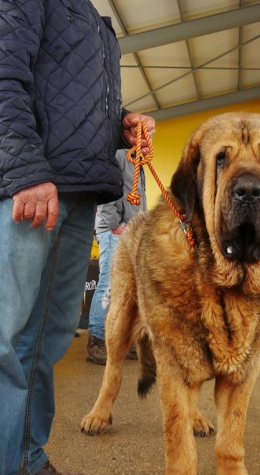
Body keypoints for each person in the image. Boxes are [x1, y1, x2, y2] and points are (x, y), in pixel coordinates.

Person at [0, 0, 155, 475]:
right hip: (29, 189)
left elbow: (72, 104)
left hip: (79, 195)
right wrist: (26, 175)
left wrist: (124, 123)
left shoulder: (92, 19)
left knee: (44, 343)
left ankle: (27, 459)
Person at [87, 149, 147, 365]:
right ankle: (97, 338)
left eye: (151, 134)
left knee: (130, 287)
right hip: (115, 230)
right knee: (108, 283)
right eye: (146, 133)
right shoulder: (120, 155)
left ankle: (124, 340)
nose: (149, 138)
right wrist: (114, 226)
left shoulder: (139, 162)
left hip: (132, 231)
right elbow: (106, 191)